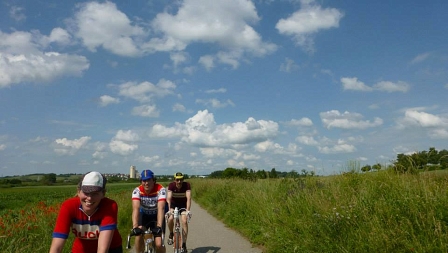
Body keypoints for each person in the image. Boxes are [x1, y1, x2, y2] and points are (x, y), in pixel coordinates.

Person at [49, 171, 123, 253]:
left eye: (95, 193)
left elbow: (103, 249)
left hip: (111, 248)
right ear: (79, 192)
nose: (89, 198)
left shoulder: (109, 206)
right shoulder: (68, 207)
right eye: (86, 192)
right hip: (81, 249)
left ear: (103, 194)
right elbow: (56, 247)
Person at [132, 169, 167, 253]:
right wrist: (135, 227)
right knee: (138, 236)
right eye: (144, 180)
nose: (146, 183)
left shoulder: (160, 189)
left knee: (159, 244)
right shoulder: (137, 191)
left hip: (156, 216)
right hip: (144, 215)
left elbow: (161, 208)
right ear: (141, 181)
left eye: (149, 180)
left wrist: (159, 226)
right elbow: (135, 209)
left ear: (153, 180)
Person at [166, 172, 192, 253]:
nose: (179, 182)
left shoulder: (187, 185)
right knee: (170, 218)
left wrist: (187, 211)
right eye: (177, 180)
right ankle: (171, 233)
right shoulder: (171, 185)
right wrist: (169, 209)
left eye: (181, 179)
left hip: (183, 205)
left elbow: (188, 198)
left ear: (183, 179)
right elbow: (169, 198)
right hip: (173, 205)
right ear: (174, 180)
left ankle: (184, 244)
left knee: (184, 221)